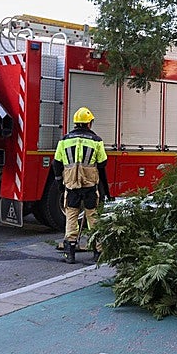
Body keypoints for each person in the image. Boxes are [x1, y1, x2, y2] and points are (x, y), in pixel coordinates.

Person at [52, 107, 108, 264]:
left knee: (71, 218)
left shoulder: (64, 140)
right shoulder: (96, 141)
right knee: (93, 219)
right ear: (89, 123)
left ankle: (70, 254)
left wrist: (60, 184)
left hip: (71, 186)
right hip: (90, 186)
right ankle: (98, 252)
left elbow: (56, 163)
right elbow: (103, 163)